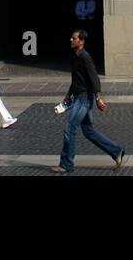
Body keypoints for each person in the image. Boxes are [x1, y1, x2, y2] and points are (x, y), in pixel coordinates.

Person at [51, 29, 124, 174]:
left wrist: (98, 98)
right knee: (88, 130)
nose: (71, 40)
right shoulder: (76, 56)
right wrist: (68, 94)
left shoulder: (85, 57)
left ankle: (66, 164)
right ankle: (116, 151)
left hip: (84, 98)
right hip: (79, 96)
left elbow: (94, 79)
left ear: (82, 41)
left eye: (74, 38)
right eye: (71, 38)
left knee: (70, 128)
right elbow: (77, 78)